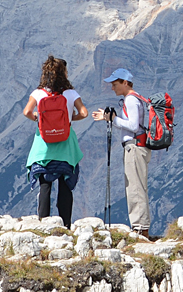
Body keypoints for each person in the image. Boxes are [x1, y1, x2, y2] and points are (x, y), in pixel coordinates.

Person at [22, 55, 88, 226]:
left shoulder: (38, 93)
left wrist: (38, 117)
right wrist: (69, 119)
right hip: (66, 143)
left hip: (44, 143)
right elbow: (84, 113)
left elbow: (26, 112)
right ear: (63, 73)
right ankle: (66, 224)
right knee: (65, 183)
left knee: (45, 184)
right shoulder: (71, 94)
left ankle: (43, 222)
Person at [93, 66, 152, 239]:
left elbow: (133, 126)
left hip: (134, 146)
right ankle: (140, 226)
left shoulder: (130, 100)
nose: (112, 88)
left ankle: (140, 228)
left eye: (115, 84)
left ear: (125, 83)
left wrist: (111, 118)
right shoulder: (137, 98)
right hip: (138, 146)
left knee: (135, 187)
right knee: (136, 185)